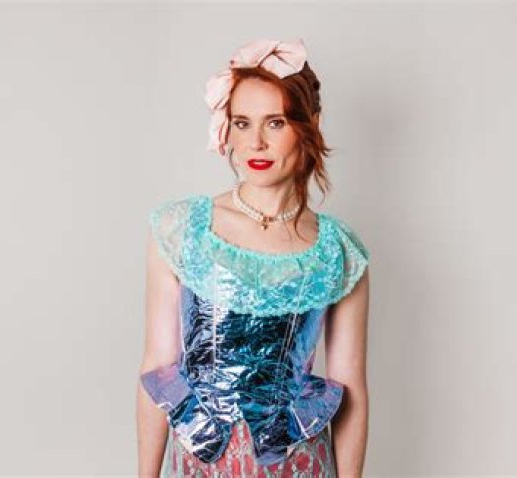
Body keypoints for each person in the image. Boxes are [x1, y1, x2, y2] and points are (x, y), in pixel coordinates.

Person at [136, 38, 371, 477]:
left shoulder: (336, 249)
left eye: (275, 123)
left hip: (299, 464)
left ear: (310, 125)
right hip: (202, 463)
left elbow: (351, 385)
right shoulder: (182, 229)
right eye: (242, 123)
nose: (256, 143)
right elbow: (157, 367)